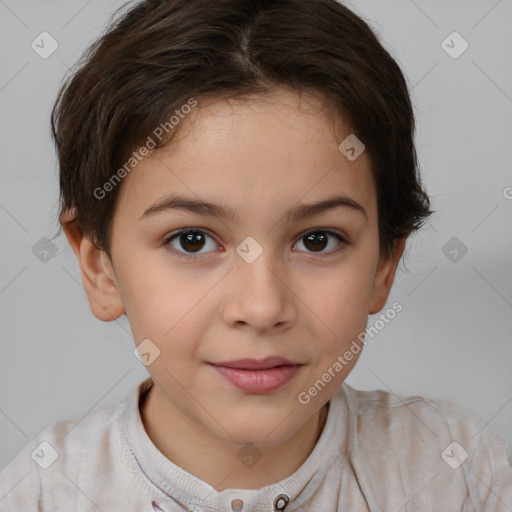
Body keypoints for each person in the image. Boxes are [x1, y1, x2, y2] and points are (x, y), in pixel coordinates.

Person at [1, 0, 511, 510]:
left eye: (317, 240)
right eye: (192, 240)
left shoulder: (457, 473)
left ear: (384, 263)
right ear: (100, 267)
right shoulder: (44, 495)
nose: (262, 307)